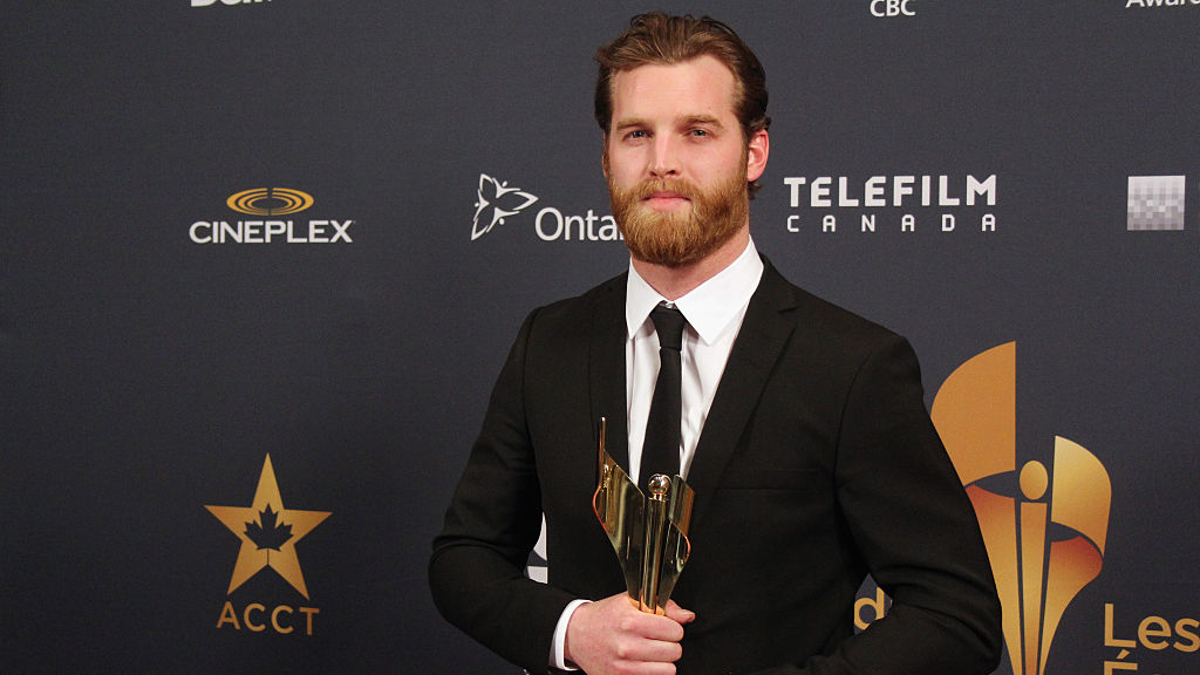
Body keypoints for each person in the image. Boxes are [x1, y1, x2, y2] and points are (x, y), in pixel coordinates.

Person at [430, 12, 1002, 675]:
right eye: (636, 133)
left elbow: (955, 611)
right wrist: (570, 629)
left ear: (753, 151)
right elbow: (463, 558)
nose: (662, 161)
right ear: (607, 155)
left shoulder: (851, 365)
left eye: (697, 132)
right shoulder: (550, 343)